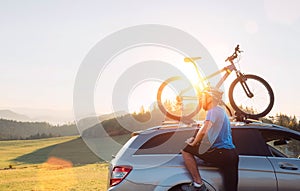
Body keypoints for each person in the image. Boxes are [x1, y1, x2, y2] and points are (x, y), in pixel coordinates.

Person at [181, 88, 239, 191]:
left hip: (221, 152)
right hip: (232, 154)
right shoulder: (221, 111)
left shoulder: (212, 111)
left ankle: (198, 183)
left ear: (209, 99)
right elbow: (211, 134)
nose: (201, 101)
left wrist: (193, 143)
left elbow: (204, 130)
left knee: (185, 149)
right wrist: (196, 138)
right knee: (231, 188)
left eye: (203, 98)